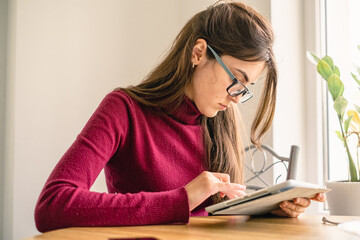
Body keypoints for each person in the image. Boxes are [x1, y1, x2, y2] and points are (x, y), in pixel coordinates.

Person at [34, 0, 325, 232]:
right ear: (199, 53)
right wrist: (182, 199)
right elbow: (53, 205)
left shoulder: (222, 118)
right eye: (235, 80)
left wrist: (266, 211)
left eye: (245, 88)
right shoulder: (123, 109)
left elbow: (216, 221)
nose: (236, 97)